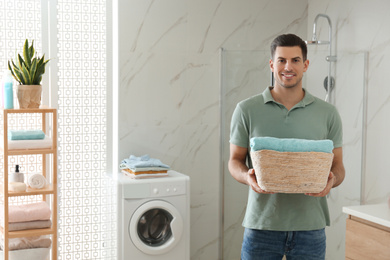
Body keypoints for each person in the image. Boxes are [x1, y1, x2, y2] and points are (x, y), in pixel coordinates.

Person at [228, 33, 345, 260]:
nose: (288, 66)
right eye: (281, 60)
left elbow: (338, 166)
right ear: (272, 65)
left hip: (310, 227)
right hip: (262, 225)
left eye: (295, 60)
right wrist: (247, 177)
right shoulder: (246, 110)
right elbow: (234, 161)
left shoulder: (328, 113)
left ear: (306, 65)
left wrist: (332, 180)